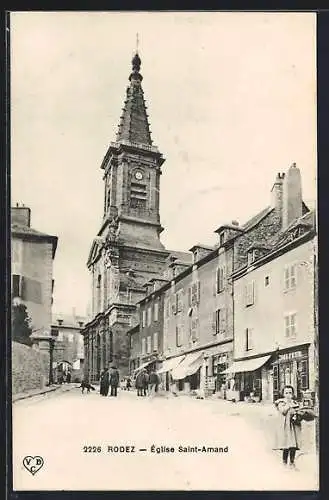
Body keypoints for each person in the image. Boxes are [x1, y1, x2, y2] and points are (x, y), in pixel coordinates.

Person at [273, 385, 302, 469]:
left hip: (294, 425)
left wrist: (298, 414)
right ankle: (284, 463)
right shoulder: (281, 402)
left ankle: (292, 463)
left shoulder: (295, 403)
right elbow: (283, 411)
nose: (288, 395)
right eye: (286, 393)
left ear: (293, 394)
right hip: (285, 426)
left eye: (290, 393)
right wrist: (289, 405)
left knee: (293, 444)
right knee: (286, 444)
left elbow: (298, 411)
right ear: (283, 394)